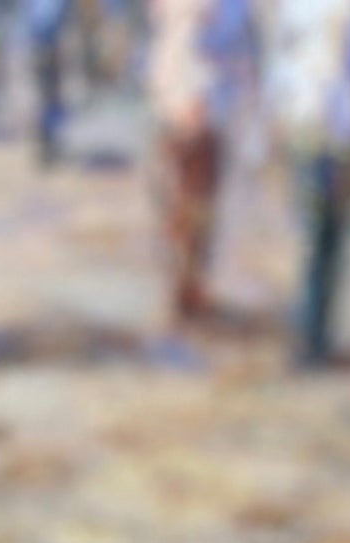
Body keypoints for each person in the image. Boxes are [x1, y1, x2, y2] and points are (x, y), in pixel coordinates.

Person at [263, 0, 350, 365]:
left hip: (328, 131)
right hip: (323, 131)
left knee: (327, 238)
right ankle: (310, 338)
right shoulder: (342, 10)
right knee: (321, 238)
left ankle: (315, 335)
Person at [146, 0, 257, 325]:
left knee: (195, 199)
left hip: (194, 93)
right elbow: (192, 39)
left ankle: (189, 283)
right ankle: (185, 285)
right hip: (193, 96)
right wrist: (191, 101)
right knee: (190, 199)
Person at [27, 0, 75, 161]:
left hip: (40, 45)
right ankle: (50, 142)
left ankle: (48, 143)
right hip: (50, 47)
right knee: (51, 95)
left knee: (46, 95)